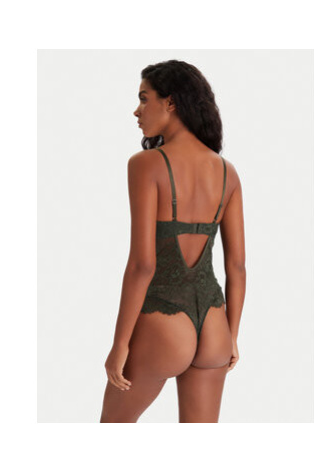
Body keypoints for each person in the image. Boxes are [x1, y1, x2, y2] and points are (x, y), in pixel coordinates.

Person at [100, 60, 246, 423]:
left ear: (171, 102)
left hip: (164, 323)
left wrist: (120, 344)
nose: (136, 111)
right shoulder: (227, 172)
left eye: (144, 98)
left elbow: (143, 265)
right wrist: (232, 336)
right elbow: (237, 267)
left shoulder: (146, 164)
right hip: (215, 324)